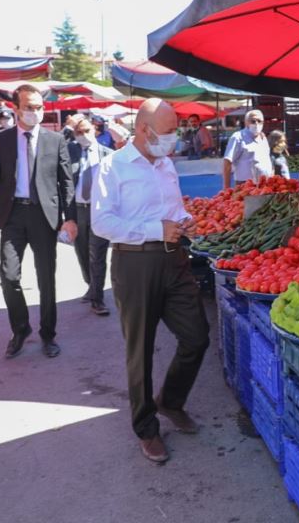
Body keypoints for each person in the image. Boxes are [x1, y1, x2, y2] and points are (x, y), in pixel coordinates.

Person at [91, 98, 209, 464]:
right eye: (170, 131)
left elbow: (173, 208)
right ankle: (146, 428)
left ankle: (170, 401)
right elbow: (102, 222)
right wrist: (152, 230)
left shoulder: (166, 165)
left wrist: (185, 219)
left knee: (197, 337)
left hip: (174, 261)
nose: (175, 138)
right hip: (135, 264)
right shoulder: (114, 166)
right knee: (140, 351)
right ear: (144, 129)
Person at [0, 84, 77, 359]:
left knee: (46, 277)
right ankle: (21, 328)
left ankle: (48, 333)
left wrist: (70, 219)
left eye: (39, 107)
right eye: (29, 107)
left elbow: (66, 182)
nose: (35, 112)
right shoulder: (1, 141)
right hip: (12, 215)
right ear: (16, 108)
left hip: (43, 216)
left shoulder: (55, 140)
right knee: (9, 275)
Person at [69, 116, 113, 316]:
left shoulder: (108, 155)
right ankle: (92, 286)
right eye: (78, 132)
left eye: (86, 130)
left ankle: (98, 299)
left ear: (94, 129)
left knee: (98, 255)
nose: (83, 135)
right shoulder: (70, 152)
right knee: (82, 253)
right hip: (78, 210)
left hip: (99, 210)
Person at [222, 109, 272, 188]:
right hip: (244, 185)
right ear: (246, 122)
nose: (256, 123)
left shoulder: (263, 138)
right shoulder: (238, 137)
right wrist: (226, 188)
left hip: (265, 184)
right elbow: (227, 163)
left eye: (259, 121)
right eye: (253, 121)